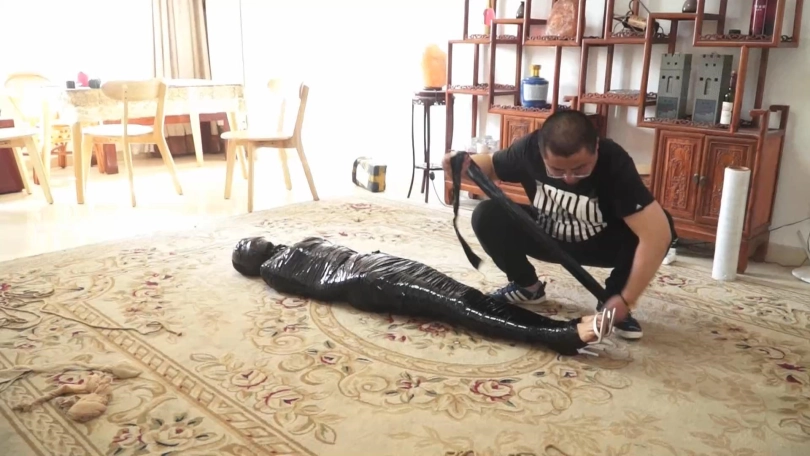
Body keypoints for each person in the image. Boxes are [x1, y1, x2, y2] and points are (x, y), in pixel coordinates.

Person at [443, 110, 676, 340]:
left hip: (602, 244)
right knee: (487, 214)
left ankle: (611, 302)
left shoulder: (614, 161)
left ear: (596, 147)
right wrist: (461, 166)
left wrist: (626, 299)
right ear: (541, 152)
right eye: (556, 170)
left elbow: (657, 235)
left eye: (580, 168)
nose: (569, 178)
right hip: (548, 236)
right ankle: (527, 287)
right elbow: (491, 166)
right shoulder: (529, 148)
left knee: (659, 225)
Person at [231, 236, 616, 355]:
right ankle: (562, 335)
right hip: (365, 282)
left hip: (377, 263)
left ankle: (563, 329)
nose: (246, 242)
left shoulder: (296, 243)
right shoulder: (273, 268)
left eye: (245, 240)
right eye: (242, 249)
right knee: (458, 305)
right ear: (249, 265)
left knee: (464, 296)